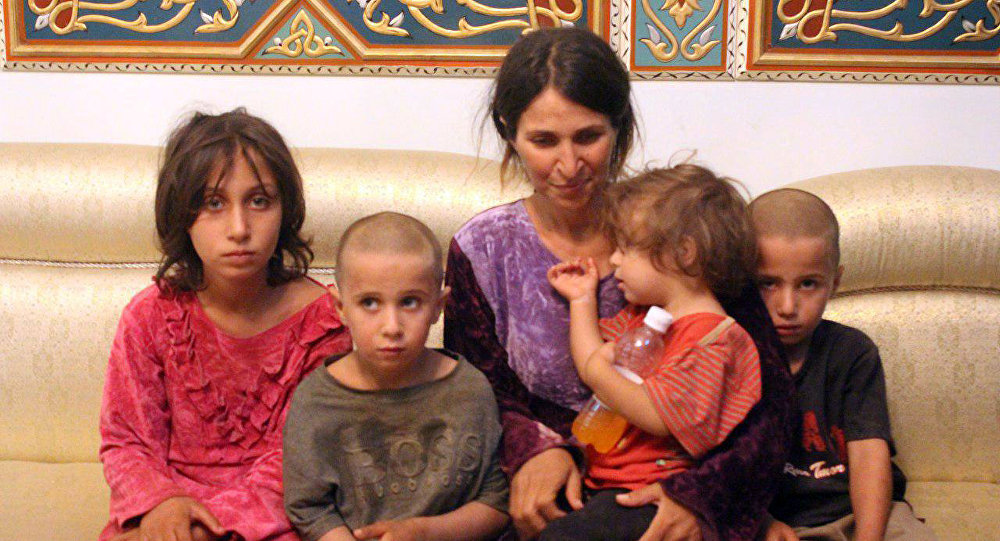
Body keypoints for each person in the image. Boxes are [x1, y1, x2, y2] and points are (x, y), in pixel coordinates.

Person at [444, 26, 794, 541]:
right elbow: (475, 392)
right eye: (543, 141)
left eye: (588, 137)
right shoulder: (482, 250)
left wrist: (699, 497)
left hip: (662, 487)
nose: (568, 165)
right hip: (548, 491)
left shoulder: (679, 231)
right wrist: (535, 451)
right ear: (509, 132)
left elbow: (768, 401)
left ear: (620, 126)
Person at [98, 109, 353, 541]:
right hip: (166, 514)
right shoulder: (150, 316)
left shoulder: (326, 323)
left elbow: (303, 462)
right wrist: (163, 506)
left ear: (285, 209)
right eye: (214, 203)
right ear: (181, 213)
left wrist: (207, 528)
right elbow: (127, 440)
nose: (239, 228)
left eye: (259, 201)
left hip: (280, 519)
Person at [540, 165, 763, 541]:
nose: (613, 260)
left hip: (651, 492)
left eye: (626, 248)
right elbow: (591, 359)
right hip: (603, 482)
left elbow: (658, 415)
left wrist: (600, 373)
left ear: (684, 254)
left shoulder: (716, 340)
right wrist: (581, 301)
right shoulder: (641, 317)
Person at [282, 212, 510, 541]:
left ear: (439, 306)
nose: (392, 327)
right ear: (340, 308)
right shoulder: (316, 400)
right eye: (370, 303)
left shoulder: (469, 390)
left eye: (410, 302)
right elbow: (309, 508)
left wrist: (426, 534)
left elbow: (496, 502)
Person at [750, 189, 937, 541]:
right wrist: (760, 522)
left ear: (835, 282)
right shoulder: (729, 352)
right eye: (767, 284)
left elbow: (868, 456)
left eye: (808, 284)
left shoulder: (852, 353)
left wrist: (867, 537)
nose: (787, 306)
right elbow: (716, 461)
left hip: (857, 512)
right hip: (770, 522)